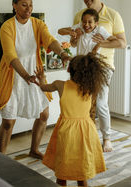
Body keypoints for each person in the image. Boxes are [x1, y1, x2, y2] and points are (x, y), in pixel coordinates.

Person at [0, 0, 71, 159]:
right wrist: (25, 76)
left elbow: (50, 40)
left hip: (35, 73)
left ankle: (34, 149)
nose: (28, 9)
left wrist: (63, 53)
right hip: (13, 75)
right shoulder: (7, 27)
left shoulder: (38, 24)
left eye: (31, 5)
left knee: (44, 114)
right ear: (14, 5)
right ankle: (0, 158)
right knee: (8, 121)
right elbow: (10, 56)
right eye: (24, 4)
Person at [35, 53, 108, 187]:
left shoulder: (60, 85)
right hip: (86, 131)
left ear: (69, 69)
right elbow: (91, 111)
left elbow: (44, 88)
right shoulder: (90, 88)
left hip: (67, 132)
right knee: (82, 172)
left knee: (62, 173)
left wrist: (42, 78)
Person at [71, 0, 127, 152]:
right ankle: (84, 135)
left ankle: (107, 138)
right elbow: (74, 42)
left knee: (101, 103)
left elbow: (122, 43)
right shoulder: (79, 16)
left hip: (103, 66)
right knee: (82, 102)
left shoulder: (113, 15)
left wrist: (100, 43)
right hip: (82, 66)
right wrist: (75, 38)